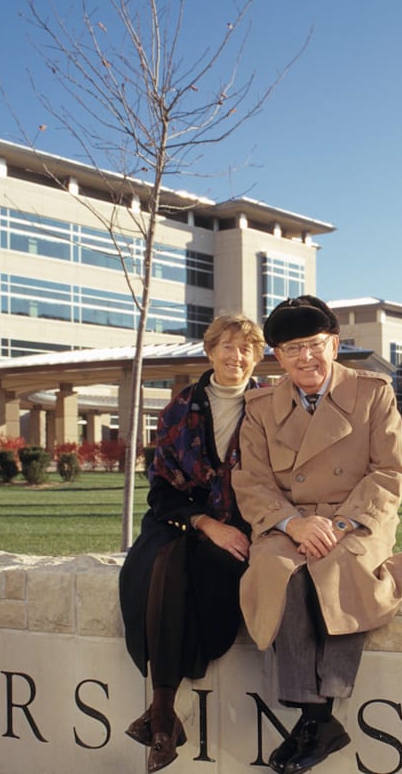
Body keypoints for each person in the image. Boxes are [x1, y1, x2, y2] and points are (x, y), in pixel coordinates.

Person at [232, 295, 402, 774]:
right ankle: (317, 717)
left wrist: (339, 524)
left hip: (358, 518)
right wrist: (293, 523)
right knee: (280, 569)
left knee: (336, 567)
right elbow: (252, 482)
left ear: (334, 344)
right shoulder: (258, 406)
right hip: (289, 520)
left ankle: (316, 719)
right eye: (293, 348)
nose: (306, 358)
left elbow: (389, 472)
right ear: (277, 356)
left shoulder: (372, 391)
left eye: (315, 345)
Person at [117, 313, 265, 772]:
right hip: (181, 516)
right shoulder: (179, 408)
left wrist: (230, 526)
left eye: (246, 349)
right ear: (210, 350)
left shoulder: (271, 407)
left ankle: (161, 714)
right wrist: (203, 521)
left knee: (198, 567)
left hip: (248, 520)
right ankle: (163, 710)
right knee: (163, 560)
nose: (235, 357)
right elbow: (161, 487)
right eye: (227, 346)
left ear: (256, 357)